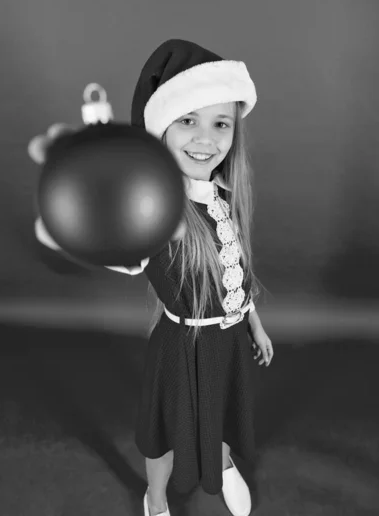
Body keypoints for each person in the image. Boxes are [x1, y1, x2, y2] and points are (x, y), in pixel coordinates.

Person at [28, 39, 274, 516]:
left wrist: (255, 325)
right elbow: (127, 249)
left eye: (220, 123)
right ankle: (156, 496)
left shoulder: (224, 195)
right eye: (188, 121)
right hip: (180, 346)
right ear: (161, 128)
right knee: (162, 431)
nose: (206, 138)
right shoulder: (154, 204)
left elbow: (235, 275)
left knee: (219, 413)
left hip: (225, 344)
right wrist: (90, 219)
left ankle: (221, 465)